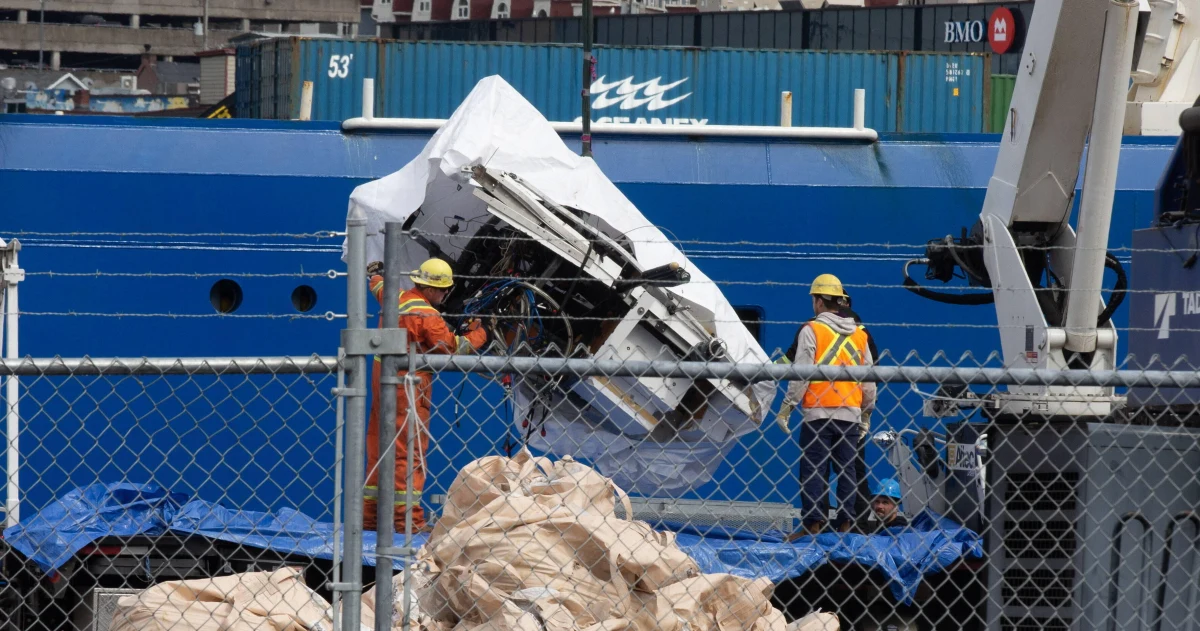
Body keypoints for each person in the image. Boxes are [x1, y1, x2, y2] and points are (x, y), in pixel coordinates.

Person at [363, 257, 488, 533]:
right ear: (431, 289)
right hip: (408, 388)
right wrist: (480, 332)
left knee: (378, 452)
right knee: (409, 455)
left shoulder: (395, 296)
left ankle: (369, 521)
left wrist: (374, 274)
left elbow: (378, 285)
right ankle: (408, 523)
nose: (445, 295)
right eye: (443, 290)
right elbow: (454, 349)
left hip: (381, 381)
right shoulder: (427, 315)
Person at [776, 273, 876, 537]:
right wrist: (867, 413)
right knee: (847, 471)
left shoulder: (812, 330)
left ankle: (813, 525)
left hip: (818, 414)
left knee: (813, 470)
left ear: (819, 301)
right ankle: (846, 525)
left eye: (814, 299)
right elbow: (869, 379)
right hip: (850, 414)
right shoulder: (860, 335)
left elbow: (802, 373)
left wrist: (787, 407)